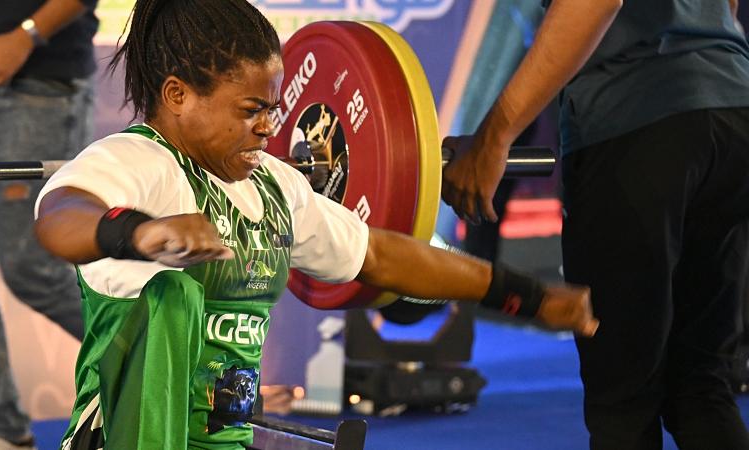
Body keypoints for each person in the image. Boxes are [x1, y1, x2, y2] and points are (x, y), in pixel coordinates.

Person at [32, 0, 599, 448]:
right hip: (125, 438)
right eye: (249, 110)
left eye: (273, 109)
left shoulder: (276, 186)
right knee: (172, 292)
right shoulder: (139, 162)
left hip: (227, 439)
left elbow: (382, 256)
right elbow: (59, 215)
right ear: (178, 95)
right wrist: (134, 233)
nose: (266, 127)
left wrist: (523, 296)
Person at [442, 0, 749, 449]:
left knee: (623, 405)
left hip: (637, 123)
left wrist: (495, 138)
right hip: (733, 110)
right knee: (702, 388)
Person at [0, 0, 98, 448]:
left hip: (41, 88)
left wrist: (26, 34)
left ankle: (163, 363)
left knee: (34, 272)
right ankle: (7, 434)